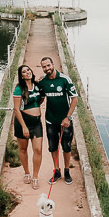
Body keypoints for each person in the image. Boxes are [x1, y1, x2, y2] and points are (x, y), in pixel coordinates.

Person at [38, 56, 77, 184]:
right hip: (50, 120)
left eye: (48, 65)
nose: (47, 68)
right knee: (53, 147)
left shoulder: (65, 79)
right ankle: (57, 171)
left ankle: (66, 171)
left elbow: (74, 99)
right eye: (44, 67)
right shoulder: (43, 82)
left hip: (65, 121)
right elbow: (42, 98)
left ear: (53, 64)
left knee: (66, 147)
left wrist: (68, 117)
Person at [12, 64, 44, 189]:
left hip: (36, 123)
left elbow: (40, 99)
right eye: (24, 72)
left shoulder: (37, 86)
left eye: (28, 70)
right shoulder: (19, 88)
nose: (27, 72)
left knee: (38, 150)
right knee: (23, 149)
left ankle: (35, 176)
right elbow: (16, 109)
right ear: (21, 75)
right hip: (23, 123)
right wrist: (24, 127)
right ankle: (27, 173)